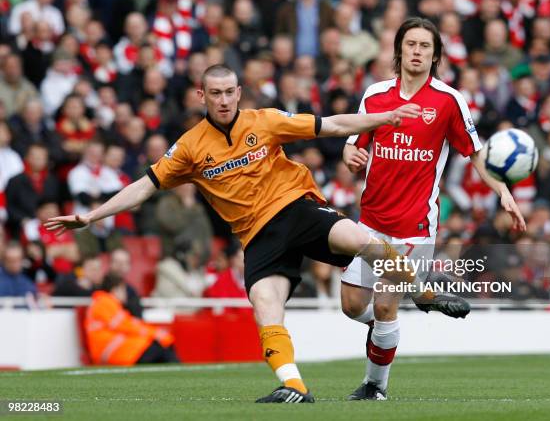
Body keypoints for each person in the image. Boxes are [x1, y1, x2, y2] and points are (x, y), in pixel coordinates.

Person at [46, 63, 431, 404]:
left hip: (296, 208)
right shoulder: (190, 147)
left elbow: (330, 125)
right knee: (265, 307)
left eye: (230, 92)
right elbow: (144, 187)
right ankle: (294, 387)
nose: (224, 100)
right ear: (202, 96)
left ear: (239, 93)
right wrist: (92, 216)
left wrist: (385, 118)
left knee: (359, 240)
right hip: (257, 236)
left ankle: (422, 288)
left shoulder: (264, 120)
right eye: (215, 93)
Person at [340, 17, 526, 401]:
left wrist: (503, 191)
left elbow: (477, 154)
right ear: (399, 50)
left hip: (414, 225)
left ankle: (376, 386)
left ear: (436, 55)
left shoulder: (447, 100)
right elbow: (353, 140)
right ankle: (414, 302)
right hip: (371, 220)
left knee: (386, 302)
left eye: (425, 46)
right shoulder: (375, 95)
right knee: (352, 305)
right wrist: (350, 154)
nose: (417, 51)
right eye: (411, 44)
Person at [86, 273, 178, 365]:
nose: (126, 293)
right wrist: (155, 334)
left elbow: (128, 325)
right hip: (113, 352)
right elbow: (127, 326)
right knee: (161, 348)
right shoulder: (105, 303)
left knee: (159, 347)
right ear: (115, 290)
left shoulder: (105, 303)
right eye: (123, 289)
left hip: (115, 350)